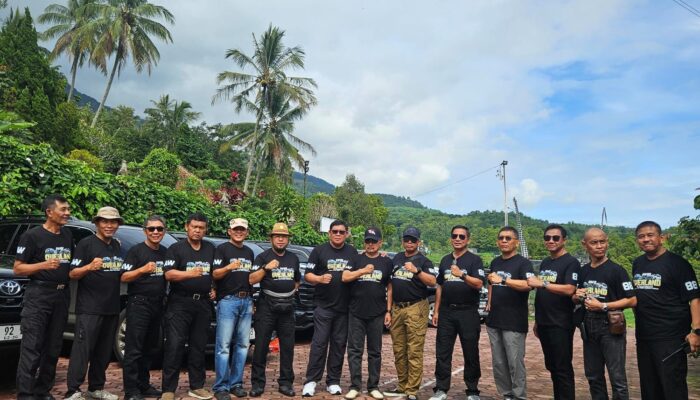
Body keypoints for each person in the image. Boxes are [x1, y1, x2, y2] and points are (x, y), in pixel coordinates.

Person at [14, 195, 73, 400]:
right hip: (39, 295)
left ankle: (43, 390)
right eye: (63, 209)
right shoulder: (32, 236)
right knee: (32, 346)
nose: (67, 213)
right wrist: (43, 265)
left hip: (62, 295)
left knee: (53, 346)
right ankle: (26, 393)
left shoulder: (67, 235)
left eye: (68, 209)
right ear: (49, 212)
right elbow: (18, 268)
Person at [632, 220, 700, 400]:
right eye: (641, 236)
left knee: (672, 386)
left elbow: (694, 298)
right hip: (644, 336)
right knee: (649, 386)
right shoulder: (638, 263)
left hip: (671, 337)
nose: (646, 239)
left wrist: (696, 331)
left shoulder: (678, 264)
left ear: (661, 238)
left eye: (650, 235)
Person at [65, 207, 125, 400]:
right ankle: (73, 390)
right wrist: (89, 266)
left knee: (103, 352)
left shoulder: (116, 245)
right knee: (83, 350)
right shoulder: (86, 244)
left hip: (111, 307)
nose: (109, 225)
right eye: (105, 221)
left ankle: (96, 388)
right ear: (97, 223)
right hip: (90, 308)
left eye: (113, 222)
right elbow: (72, 273)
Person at [574, 227, 636, 400]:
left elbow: (632, 300)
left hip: (611, 326)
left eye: (602, 242)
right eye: (594, 242)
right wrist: (576, 296)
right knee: (593, 376)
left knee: (617, 378)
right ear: (585, 244)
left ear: (607, 242)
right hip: (589, 326)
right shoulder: (583, 271)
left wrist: (603, 305)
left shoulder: (617, 270)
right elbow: (576, 298)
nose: (599, 246)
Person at [161, 213, 216, 400]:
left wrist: (214, 288)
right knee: (174, 345)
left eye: (201, 227)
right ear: (187, 227)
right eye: (194, 227)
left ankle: (197, 386)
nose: (197, 230)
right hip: (180, 303)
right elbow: (168, 274)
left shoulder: (210, 248)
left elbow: (214, 273)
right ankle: (168, 389)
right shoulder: (176, 249)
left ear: (205, 230)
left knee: (198, 346)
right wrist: (189, 274)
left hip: (203, 304)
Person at [429, 225, 485, 400]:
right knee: (443, 352)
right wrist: (436, 311)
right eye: (455, 236)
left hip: (468, 311)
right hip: (447, 312)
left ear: (468, 239)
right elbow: (439, 286)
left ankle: (472, 390)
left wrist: (462, 275)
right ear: (451, 238)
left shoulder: (475, 260)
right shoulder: (445, 260)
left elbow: (479, 284)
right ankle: (441, 388)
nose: (458, 239)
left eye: (462, 236)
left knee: (470, 351)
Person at [302, 220, 357, 397]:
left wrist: (382, 256)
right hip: (323, 306)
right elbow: (307, 275)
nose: (338, 234)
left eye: (341, 231)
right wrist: (319, 279)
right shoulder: (319, 250)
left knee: (338, 346)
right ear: (329, 233)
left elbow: (365, 264)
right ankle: (311, 381)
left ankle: (333, 381)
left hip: (344, 308)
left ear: (346, 234)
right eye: (335, 231)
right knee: (319, 344)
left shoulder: (352, 252)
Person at [527, 224, 580, 400]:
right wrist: (537, 321)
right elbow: (542, 294)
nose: (551, 241)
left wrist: (542, 283)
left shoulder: (571, 262)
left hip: (560, 323)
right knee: (552, 366)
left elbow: (570, 289)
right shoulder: (546, 262)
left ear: (564, 240)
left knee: (562, 368)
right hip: (544, 322)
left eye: (555, 238)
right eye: (547, 238)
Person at [248, 222, 301, 398]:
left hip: (287, 308)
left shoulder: (293, 258)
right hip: (266, 307)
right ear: (271, 238)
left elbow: (297, 280)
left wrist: (289, 292)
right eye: (277, 236)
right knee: (261, 346)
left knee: (287, 347)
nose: (280, 239)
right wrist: (266, 268)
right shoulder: (262, 257)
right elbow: (251, 279)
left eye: (284, 237)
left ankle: (286, 383)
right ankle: (257, 384)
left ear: (288, 239)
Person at [120, 215, 169, 400]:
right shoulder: (136, 251)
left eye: (159, 229)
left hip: (158, 304)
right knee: (134, 349)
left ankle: (143, 384)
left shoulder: (165, 252)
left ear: (164, 231)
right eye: (151, 229)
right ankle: (131, 391)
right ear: (145, 231)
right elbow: (124, 277)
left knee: (150, 348)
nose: (155, 232)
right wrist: (142, 270)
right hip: (139, 303)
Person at [385, 227, 437, 400]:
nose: (409, 242)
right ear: (402, 241)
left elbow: (433, 281)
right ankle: (402, 385)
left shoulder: (424, 261)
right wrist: (388, 310)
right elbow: (390, 282)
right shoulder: (397, 258)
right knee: (399, 349)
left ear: (418, 242)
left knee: (414, 350)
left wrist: (417, 271)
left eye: (413, 240)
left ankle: (412, 390)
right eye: (406, 239)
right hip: (397, 308)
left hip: (416, 307)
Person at [341, 227, 392, 400]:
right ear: (364, 243)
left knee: (375, 351)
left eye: (374, 241)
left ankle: (373, 386)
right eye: (368, 241)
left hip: (377, 313)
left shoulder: (386, 262)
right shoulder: (356, 259)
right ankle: (355, 386)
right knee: (355, 350)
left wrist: (388, 310)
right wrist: (362, 271)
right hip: (356, 312)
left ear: (380, 243)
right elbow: (345, 277)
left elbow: (390, 286)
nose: (371, 244)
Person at [486, 226, 534, 400]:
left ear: (516, 242)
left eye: (508, 238)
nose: (504, 241)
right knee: (498, 362)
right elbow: (491, 283)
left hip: (514, 320)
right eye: (501, 238)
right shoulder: (495, 262)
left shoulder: (523, 263)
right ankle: (506, 394)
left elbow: (529, 284)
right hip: (494, 319)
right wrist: (489, 302)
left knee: (515, 362)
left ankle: (519, 395)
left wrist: (504, 280)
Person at [212, 218, 256, 400]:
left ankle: (236, 383)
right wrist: (229, 267)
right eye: (235, 229)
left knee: (243, 345)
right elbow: (215, 273)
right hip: (228, 301)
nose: (239, 232)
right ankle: (221, 386)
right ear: (229, 231)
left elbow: (250, 278)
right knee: (223, 346)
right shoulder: (222, 249)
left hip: (246, 300)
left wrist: (252, 300)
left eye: (242, 229)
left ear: (247, 232)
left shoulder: (249, 252)